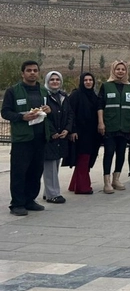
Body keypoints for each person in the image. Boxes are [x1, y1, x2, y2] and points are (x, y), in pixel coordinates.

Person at [2, 60, 51, 216]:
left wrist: (47, 110)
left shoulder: (43, 91)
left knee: (36, 171)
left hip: (40, 137)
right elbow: (5, 112)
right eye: (29, 70)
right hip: (22, 139)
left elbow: (48, 111)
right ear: (22, 73)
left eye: (35, 70)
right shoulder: (13, 91)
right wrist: (21, 117)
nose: (32, 73)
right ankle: (17, 204)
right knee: (19, 172)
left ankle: (30, 200)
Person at [97, 60, 130, 194]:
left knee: (121, 153)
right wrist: (101, 122)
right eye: (118, 69)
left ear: (126, 71)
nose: (120, 71)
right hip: (110, 125)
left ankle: (116, 179)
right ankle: (107, 182)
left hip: (125, 126)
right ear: (113, 70)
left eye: (123, 69)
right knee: (109, 153)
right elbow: (100, 106)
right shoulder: (106, 86)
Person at [67, 72, 100, 195]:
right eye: (85, 80)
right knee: (83, 158)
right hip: (80, 133)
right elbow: (70, 113)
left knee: (87, 158)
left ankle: (74, 184)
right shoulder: (76, 95)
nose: (88, 82)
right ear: (82, 81)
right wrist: (72, 130)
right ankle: (82, 187)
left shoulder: (93, 96)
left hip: (92, 133)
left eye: (90, 80)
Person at [43, 71, 72, 204]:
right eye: (52, 80)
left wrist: (67, 129)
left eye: (57, 79)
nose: (55, 82)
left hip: (61, 136)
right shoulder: (44, 96)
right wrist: (51, 132)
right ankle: (53, 194)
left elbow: (70, 114)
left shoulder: (63, 96)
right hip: (49, 137)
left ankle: (48, 191)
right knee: (49, 166)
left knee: (55, 165)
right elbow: (43, 116)